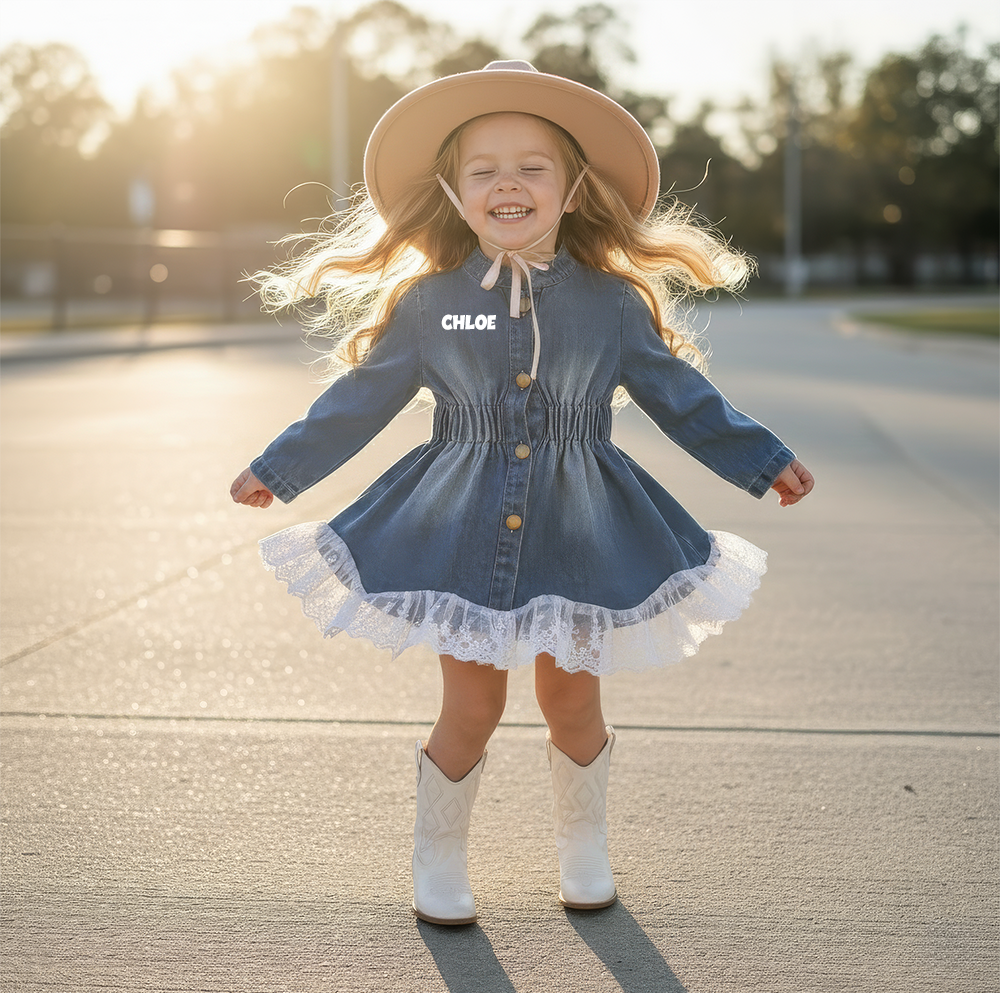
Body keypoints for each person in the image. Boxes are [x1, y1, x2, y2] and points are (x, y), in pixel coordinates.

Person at [230, 60, 814, 926]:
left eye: (532, 167)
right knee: (472, 703)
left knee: (572, 698)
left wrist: (760, 458)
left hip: (583, 526)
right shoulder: (435, 306)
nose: (508, 183)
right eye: (483, 170)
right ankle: (438, 860)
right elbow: (359, 401)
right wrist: (279, 469)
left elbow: (681, 398)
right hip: (458, 527)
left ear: (573, 190)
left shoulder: (612, 306)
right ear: (454, 194)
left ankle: (584, 848)